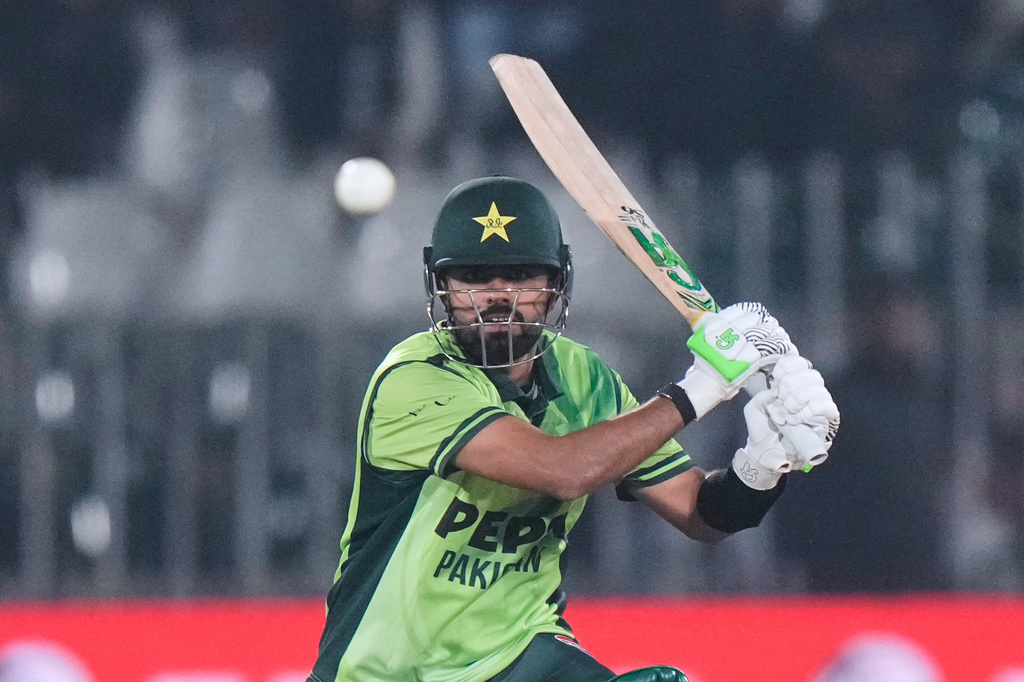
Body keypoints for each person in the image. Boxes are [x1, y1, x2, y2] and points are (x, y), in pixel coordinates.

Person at [308, 176, 839, 682]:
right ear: (440, 287)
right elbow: (562, 469)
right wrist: (704, 386)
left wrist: (761, 467)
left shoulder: (585, 378)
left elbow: (700, 514)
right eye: (473, 277)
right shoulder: (412, 380)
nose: (498, 297)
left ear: (556, 284)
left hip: (519, 655)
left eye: (520, 276)